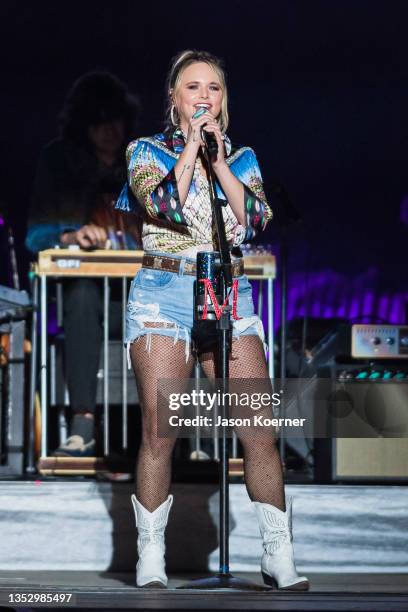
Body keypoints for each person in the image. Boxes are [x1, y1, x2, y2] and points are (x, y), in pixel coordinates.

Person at [115, 50, 309, 590]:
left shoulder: (242, 157)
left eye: (215, 88)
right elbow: (164, 207)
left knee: (260, 431)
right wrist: (192, 151)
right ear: (173, 99)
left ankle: (276, 553)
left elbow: (255, 219)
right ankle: (149, 553)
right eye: (193, 86)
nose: (204, 96)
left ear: (225, 100)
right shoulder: (145, 151)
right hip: (163, 291)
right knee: (162, 429)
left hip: (228, 291)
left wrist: (218, 161)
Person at [26, 72, 141, 457]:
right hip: (88, 304)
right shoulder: (58, 161)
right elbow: (35, 236)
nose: (108, 129)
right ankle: (83, 424)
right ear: (83, 124)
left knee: (182, 303)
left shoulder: (145, 160)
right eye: (98, 121)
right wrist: (71, 236)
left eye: (114, 119)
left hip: (140, 297)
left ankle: (187, 438)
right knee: (81, 293)